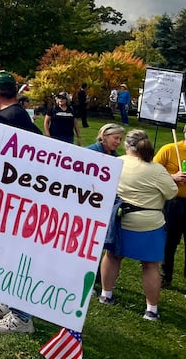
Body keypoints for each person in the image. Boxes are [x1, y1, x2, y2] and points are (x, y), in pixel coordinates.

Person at [0, 70, 40, 334]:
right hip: (14, 194)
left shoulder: (5, 119)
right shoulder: (19, 115)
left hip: (13, 196)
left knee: (12, 254)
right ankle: (6, 301)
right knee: (3, 252)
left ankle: (22, 317)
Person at [99, 129, 177, 321]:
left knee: (112, 256)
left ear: (127, 144)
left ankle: (105, 295)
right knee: (150, 265)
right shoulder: (156, 169)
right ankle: (151, 310)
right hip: (149, 224)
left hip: (120, 220)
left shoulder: (117, 162)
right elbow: (172, 192)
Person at [87, 123, 124, 290]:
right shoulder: (90, 153)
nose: (118, 142)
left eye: (120, 139)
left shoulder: (118, 158)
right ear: (104, 136)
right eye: (115, 138)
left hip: (105, 205)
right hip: (89, 203)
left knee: (98, 242)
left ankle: (98, 276)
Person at [153, 123, 186, 287]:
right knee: (169, 241)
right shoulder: (170, 149)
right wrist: (173, 177)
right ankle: (166, 276)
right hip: (173, 202)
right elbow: (152, 172)